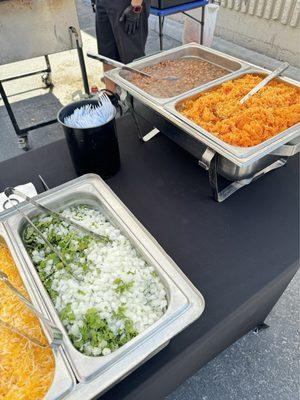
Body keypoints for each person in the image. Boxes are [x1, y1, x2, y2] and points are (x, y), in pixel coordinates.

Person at [92, 0, 150, 91]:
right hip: (103, 3)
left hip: (127, 4)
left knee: (131, 58)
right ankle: (111, 94)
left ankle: (136, 101)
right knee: (107, 54)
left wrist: (136, 5)